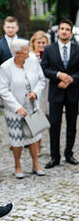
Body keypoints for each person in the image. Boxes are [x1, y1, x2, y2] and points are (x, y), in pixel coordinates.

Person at [41, 19, 79, 169]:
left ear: (71, 32)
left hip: (72, 92)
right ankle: (54, 157)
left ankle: (69, 154)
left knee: (72, 125)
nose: (64, 31)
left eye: (67, 29)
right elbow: (44, 68)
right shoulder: (49, 49)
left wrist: (71, 79)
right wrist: (58, 75)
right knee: (54, 124)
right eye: (61, 28)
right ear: (58, 32)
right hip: (56, 91)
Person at [0, 39, 46, 179]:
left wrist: (35, 92)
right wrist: (17, 107)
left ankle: (36, 164)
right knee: (17, 139)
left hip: (31, 107)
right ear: (17, 53)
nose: (29, 52)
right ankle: (17, 165)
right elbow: (3, 90)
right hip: (14, 110)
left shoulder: (32, 61)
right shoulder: (5, 67)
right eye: (26, 50)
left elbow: (41, 80)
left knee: (34, 136)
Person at [29, 30, 50, 117]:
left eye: (43, 43)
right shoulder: (29, 55)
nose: (41, 45)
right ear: (33, 43)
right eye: (39, 42)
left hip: (48, 86)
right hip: (34, 87)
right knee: (37, 114)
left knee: (49, 113)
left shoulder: (50, 54)